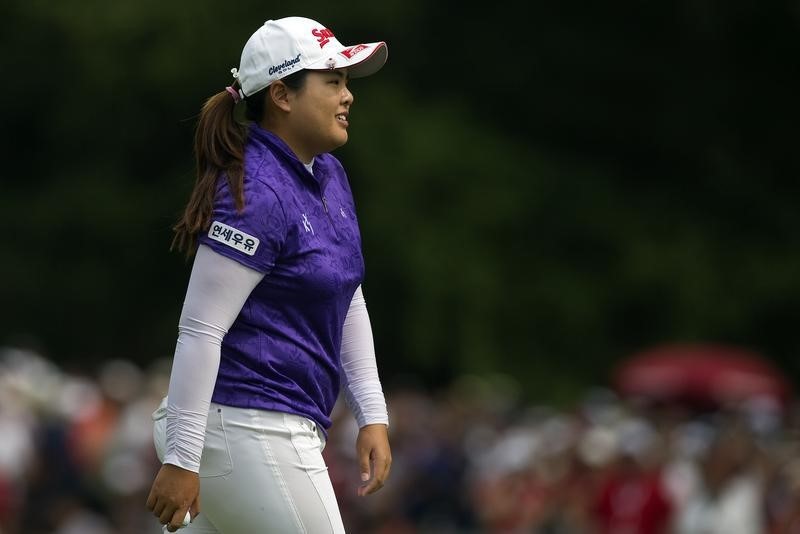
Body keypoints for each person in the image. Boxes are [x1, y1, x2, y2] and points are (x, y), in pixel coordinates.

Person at [145, 16, 392, 533]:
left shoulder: (327, 173)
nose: (348, 97)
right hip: (243, 426)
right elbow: (201, 328)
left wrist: (372, 413)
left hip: (255, 428)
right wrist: (183, 459)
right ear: (282, 95)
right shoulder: (258, 190)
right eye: (333, 81)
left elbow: (347, 293)